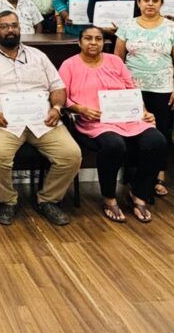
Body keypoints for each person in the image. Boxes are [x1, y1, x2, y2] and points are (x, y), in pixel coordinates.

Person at [0, 10, 81, 226]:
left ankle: (48, 200)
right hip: (3, 122)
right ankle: (7, 201)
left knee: (71, 155)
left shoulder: (38, 56)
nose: (10, 30)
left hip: (43, 121)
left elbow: (57, 87)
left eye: (14, 25)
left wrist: (57, 107)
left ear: (20, 28)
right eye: (4, 26)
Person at [60, 26, 165, 224]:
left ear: (104, 42)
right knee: (114, 145)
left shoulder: (115, 61)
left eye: (98, 39)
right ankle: (109, 198)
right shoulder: (69, 65)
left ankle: (139, 193)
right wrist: (81, 109)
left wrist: (144, 111)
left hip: (128, 117)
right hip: (95, 121)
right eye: (88, 38)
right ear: (79, 42)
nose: (93, 42)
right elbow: (62, 97)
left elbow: (131, 89)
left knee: (156, 141)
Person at [114, 0, 174, 198]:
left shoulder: (172, 27)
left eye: (155, 0)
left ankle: (159, 176)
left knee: (160, 133)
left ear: (161, 3)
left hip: (162, 88)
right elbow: (117, 59)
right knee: (132, 132)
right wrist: (120, 89)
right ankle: (133, 176)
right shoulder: (127, 26)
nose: (150, 4)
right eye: (146, 0)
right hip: (132, 90)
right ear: (139, 2)